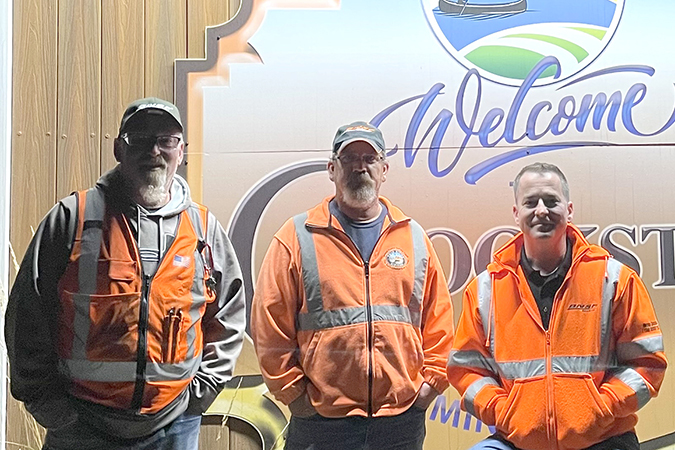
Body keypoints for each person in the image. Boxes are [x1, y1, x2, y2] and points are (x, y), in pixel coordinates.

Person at [5, 97, 246, 450]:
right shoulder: (73, 218)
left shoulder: (203, 229)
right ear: (119, 148)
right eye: (140, 139)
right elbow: (26, 316)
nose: (154, 151)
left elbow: (228, 315)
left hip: (173, 427)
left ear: (182, 151)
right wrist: (48, 406)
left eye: (166, 140)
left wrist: (199, 395)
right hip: (81, 428)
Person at [251, 121, 454, 450]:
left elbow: (439, 322)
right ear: (332, 169)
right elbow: (269, 325)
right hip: (321, 423)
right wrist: (295, 397)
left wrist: (428, 389)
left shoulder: (414, 238)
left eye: (370, 158)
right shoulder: (297, 236)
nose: (360, 166)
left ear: (384, 169)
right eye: (349, 158)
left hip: (400, 423)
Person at [447, 162, 667, 450]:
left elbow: (647, 363)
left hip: (603, 439)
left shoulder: (613, 279)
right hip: (518, 442)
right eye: (530, 202)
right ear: (516, 214)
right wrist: (503, 411)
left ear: (569, 209)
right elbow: (467, 370)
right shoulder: (486, 288)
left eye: (551, 201)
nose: (541, 210)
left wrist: (602, 408)